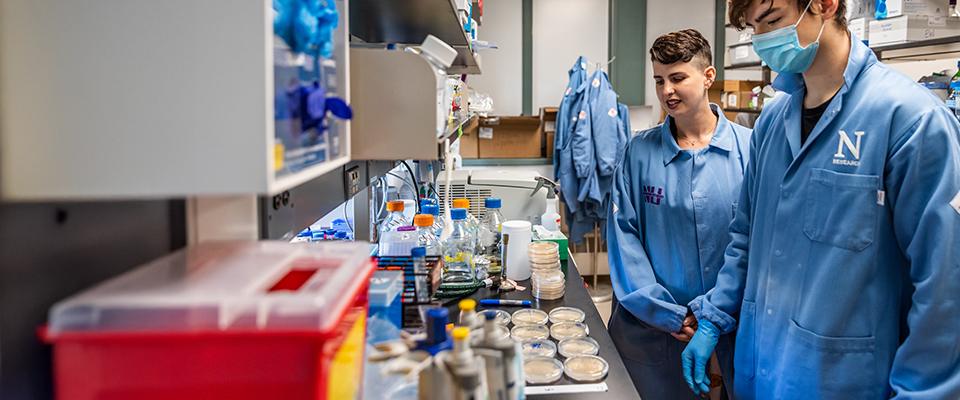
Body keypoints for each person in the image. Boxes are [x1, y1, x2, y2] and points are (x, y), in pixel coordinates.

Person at [680, 0, 960, 398]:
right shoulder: (773, 123)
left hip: (841, 379)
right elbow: (745, 237)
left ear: (826, 5)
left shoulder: (910, 120)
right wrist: (714, 317)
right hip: (761, 372)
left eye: (772, 20)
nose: (762, 39)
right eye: (752, 27)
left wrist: (924, 392)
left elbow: (944, 282)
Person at [607, 29, 751, 399]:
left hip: (731, 327)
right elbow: (625, 242)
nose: (667, 90)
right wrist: (672, 316)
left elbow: (758, 244)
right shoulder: (638, 153)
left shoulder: (750, 151)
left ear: (708, 77)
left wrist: (713, 319)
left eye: (678, 78)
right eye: (659, 80)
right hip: (652, 330)